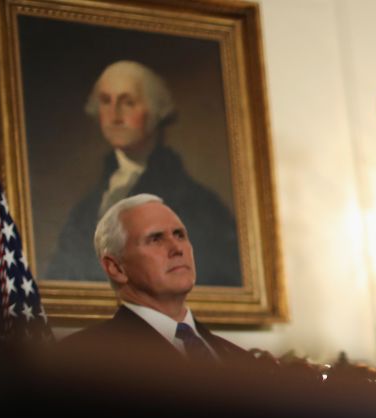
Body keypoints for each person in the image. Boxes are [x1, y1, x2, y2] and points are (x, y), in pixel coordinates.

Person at [46, 60, 241, 287]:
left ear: (156, 111)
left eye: (128, 102)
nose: (115, 114)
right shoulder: (85, 208)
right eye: (106, 101)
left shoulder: (200, 205)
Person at [61, 193, 251, 364]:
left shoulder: (242, 360)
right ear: (116, 267)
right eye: (155, 239)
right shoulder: (82, 358)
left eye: (179, 235)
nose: (177, 248)